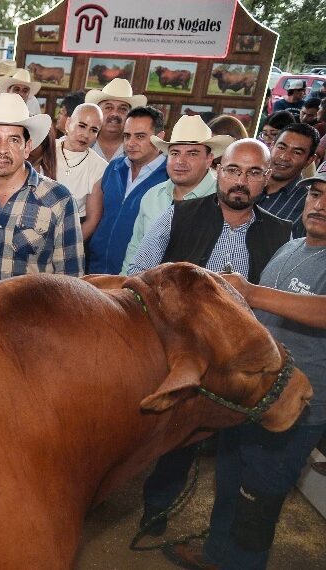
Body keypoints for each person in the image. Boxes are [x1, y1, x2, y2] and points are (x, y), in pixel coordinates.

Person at [128, 140, 294, 549]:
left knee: (238, 446)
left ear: (267, 177)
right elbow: (136, 273)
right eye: (234, 170)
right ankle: (158, 508)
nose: (242, 181)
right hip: (181, 351)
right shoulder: (179, 215)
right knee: (176, 438)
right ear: (218, 170)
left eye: (254, 173)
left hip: (240, 362)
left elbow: (276, 305)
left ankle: (225, 537)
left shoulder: (280, 233)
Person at [166, 176, 325, 569]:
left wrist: (249, 292)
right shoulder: (291, 246)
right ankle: (218, 555)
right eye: (317, 194)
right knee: (230, 480)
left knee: (258, 500)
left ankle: (241, 563)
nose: (320, 205)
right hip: (253, 391)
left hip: (296, 404)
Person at [0, 93, 85, 287]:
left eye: (13, 140)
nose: (2, 149)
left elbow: (72, 281)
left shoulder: (58, 200)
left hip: (30, 316)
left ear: (28, 148)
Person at [121, 115, 233, 273]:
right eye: (174, 153)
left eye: (192, 154)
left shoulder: (224, 201)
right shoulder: (152, 196)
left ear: (209, 159)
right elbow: (135, 249)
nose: (181, 161)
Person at [86, 106, 168, 273]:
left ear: (159, 138)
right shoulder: (114, 167)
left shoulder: (169, 177)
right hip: (95, 268)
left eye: (140, 136)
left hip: (136, 276)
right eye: (127, 136)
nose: (131, 143)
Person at [261, 122, 319, 234]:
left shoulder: (308, 205)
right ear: (272, 146)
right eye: (281, 147)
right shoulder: (247, 183)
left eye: (297, 152)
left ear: (309, 160)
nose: (284, 157)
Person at [55, 103, 107, 220]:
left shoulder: (100, 167)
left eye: (93, 130)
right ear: (68, 124)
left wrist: (75, 239)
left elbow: (92, 219)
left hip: (75, 230)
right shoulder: (47, 150)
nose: (86, 135)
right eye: (82, 126)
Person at [85, 78, 147, 162]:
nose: (115, 114)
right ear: (98, 111)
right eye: (108, 107)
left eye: (122, 109)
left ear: (130, 115)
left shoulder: (139, 150)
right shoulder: (81, 142)